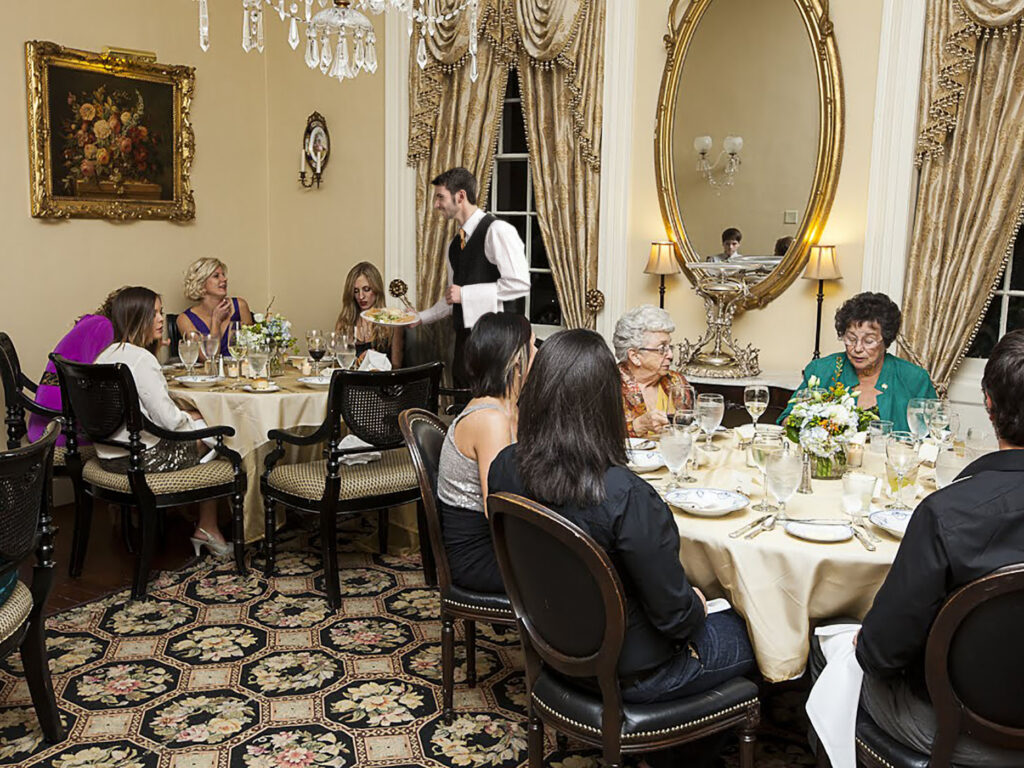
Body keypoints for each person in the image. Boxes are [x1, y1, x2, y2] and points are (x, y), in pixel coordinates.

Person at [488, 329, 756, 705]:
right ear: (605, 404)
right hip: (634, 670)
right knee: (756, 632)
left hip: (550, 645)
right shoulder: (625, 494)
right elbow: (675, 619)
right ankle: (680, 745)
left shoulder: (503, 466)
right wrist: (696, 602)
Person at [852, 329, 1024, 765]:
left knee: (833, 659)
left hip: (962, 732)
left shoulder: (948, 513)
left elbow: (882, 655)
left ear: (987, 403)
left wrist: (862, 643)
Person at [95, 287, 231, 557]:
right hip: (144, 459)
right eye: (154, 313)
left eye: (160, 312)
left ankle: (194, 516)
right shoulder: (141, 359)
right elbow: (169, 422)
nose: (161, 319)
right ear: (136, 316)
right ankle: (208, 527)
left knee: (203, 426)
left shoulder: (106, 356)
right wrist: (194, 418)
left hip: (110, 454)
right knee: (223, 435)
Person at [436, 313, 534, 593]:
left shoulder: (508, 408)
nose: (537, 354)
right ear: (517, 360)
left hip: (501, 542)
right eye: (533, 346)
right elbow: (501, 508)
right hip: (481, 555)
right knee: (589, 570)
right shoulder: (490, 419)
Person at [415, 167, 530, 386]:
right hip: (465, 347)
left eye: (440, 197)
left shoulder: (497, 230)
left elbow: (519, 283)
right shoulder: (453, 245)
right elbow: (453, 299)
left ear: (460, 196)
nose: (436, 205)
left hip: (497, 348)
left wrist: (466, 294)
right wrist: (420, 317)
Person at [779, 292, 936, 431]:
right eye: (851, 338)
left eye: (869, 341)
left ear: (886, 340)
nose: (857, 348)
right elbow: (787, 420)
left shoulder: (914, 378)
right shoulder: (821, 370)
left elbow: (937, 435)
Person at [27, 288, 122, 444]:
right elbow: (97, 378)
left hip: (44, 421)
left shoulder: (93, 321)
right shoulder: (104, 326)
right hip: (60, 427)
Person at [613, 306, 693, 437]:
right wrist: (637, 426)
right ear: (635, 356)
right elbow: (596, 439)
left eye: (670, 347)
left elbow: (690, 430)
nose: (671, 355)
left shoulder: (676, 381)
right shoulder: (610, 385)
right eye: (662, 348)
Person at [176, 257, 253, 359]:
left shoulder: (240, 306)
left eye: (223, 275)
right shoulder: (184, 319)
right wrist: (216, 321)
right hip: (208, 374)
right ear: (201, 284)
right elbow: (208, 358)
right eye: (216, 276)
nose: (224, 279)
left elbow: (253, 349)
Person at [334, 262, 403, 367]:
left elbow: (397, 368)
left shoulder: (392, 323)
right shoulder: (344, 323)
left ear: (376, 289)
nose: (361, 296)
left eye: (366, 289)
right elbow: (338, 365)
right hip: (352, 381)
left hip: (383, 381)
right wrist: (358, 362)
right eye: (356, 291)